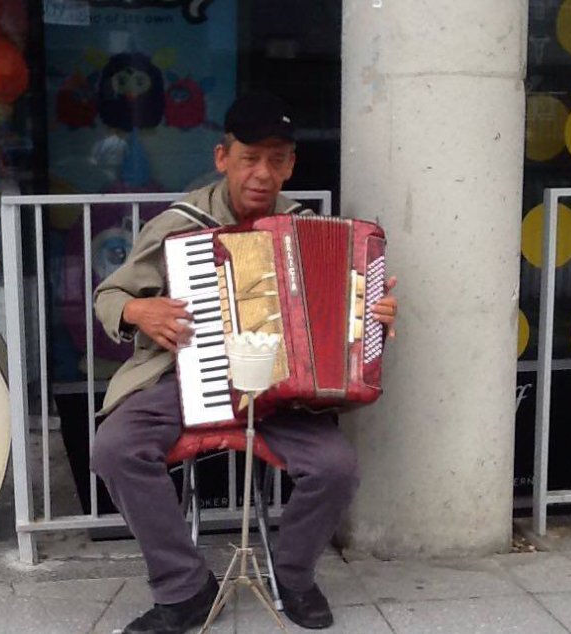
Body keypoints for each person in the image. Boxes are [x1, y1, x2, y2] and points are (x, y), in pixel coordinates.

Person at [91, 91, 399, 634]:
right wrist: (141, 308)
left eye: (276, 160)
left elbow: (345, 327)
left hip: (281, 391)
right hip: (182, 378)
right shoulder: (179, 224)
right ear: (222, 158)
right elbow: (109, 296)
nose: (262, 173)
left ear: (291, 166)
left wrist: (371, 318)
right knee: (114, 448)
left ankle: (294, 576)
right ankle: (183, 587)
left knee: (336, 468)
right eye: (249, 158)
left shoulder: (312, 229)